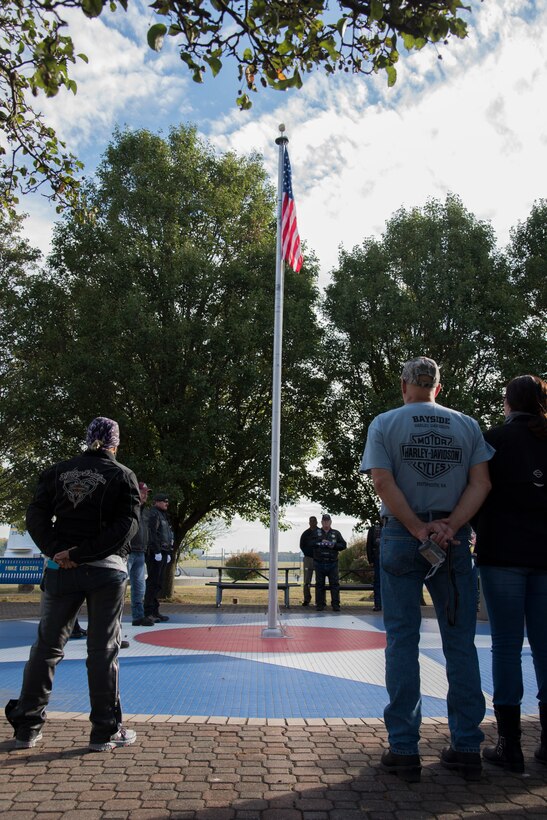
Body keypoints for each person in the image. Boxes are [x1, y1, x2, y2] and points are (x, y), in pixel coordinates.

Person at [360, 356, 494, 782]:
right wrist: (449, 527)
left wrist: (418, 529)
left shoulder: (385, 423)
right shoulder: (467, 425)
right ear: (439, 385)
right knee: (460, 644)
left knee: (402, 641)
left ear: (405, 385)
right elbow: (482, 483)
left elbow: (383, 482)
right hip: (452, 540)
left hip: (403, 534)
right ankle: (467, 746)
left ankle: (403, 748)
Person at [5, 417, 140, 752]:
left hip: (60, 570)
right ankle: (104, 732)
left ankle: (27, 728)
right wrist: (84, 553)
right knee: (102, 651)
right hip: (105, 572)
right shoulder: (123, 476)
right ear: (115, 443)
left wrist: (58, 551)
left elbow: (35, 515)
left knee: (46, 648)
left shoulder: (56, 472)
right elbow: (127, 527)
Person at [474, 374, 547, 773]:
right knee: (545, 647)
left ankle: (510, 744)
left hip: (502, 552)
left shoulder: (493, 440)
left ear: (507, 402)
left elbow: (477, 489)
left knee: (505, 646)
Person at [143, 492, 174, 622]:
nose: (166, 503)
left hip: (164, 550)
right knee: (153, 582)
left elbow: (169, 534)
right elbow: (152, 533)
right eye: (163, 501)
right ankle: (148, 611)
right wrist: (156, 551)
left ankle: (155, 611)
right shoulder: (153, 514)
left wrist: (169, 551)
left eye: (167, 501)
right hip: (156, 552)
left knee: (158, 583)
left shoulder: (164, 515)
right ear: (156, 502)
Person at [128, 481, 155, 626]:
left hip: (141, 552)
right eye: (142, 492)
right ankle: (113, 620)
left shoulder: (146, 511)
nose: (145, 495)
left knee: (139, 588)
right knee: (118, 587)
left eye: (146, 493)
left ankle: (138, 616)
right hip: (128, 552)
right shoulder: (129, 508)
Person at [313, 514, 347, 612]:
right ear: (321, 522)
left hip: (332, 563)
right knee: (319, 585)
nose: (326, 523)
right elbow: (309, 543)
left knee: (335, 585)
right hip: (319, 562)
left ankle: (336, 605)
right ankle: (320, 605)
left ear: (331, 522)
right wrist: (320, 541)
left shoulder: (336, 533)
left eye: (328, 521)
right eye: (324, 521)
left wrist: (334, 545)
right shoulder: (316, 532)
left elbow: (343, 545)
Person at [299, 515, 320, 606]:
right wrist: (308, 553)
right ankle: (307, 599)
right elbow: (301, 545)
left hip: (319, 559)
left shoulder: (320, 532)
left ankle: (319, 600)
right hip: (308, 559)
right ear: (309, 522)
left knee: (319, 580)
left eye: (314, 521)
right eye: (311, 521)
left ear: (317, 522)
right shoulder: (305, 533)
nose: (312, 523)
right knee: (307, 581)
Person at [366, 521, 382, 611]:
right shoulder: (373, 529)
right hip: (377, 559)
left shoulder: (391, 526)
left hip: (389, 558)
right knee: (377, 582)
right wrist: (370, 560)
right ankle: (378, 605)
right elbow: (369, 545)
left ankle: (389, 605)